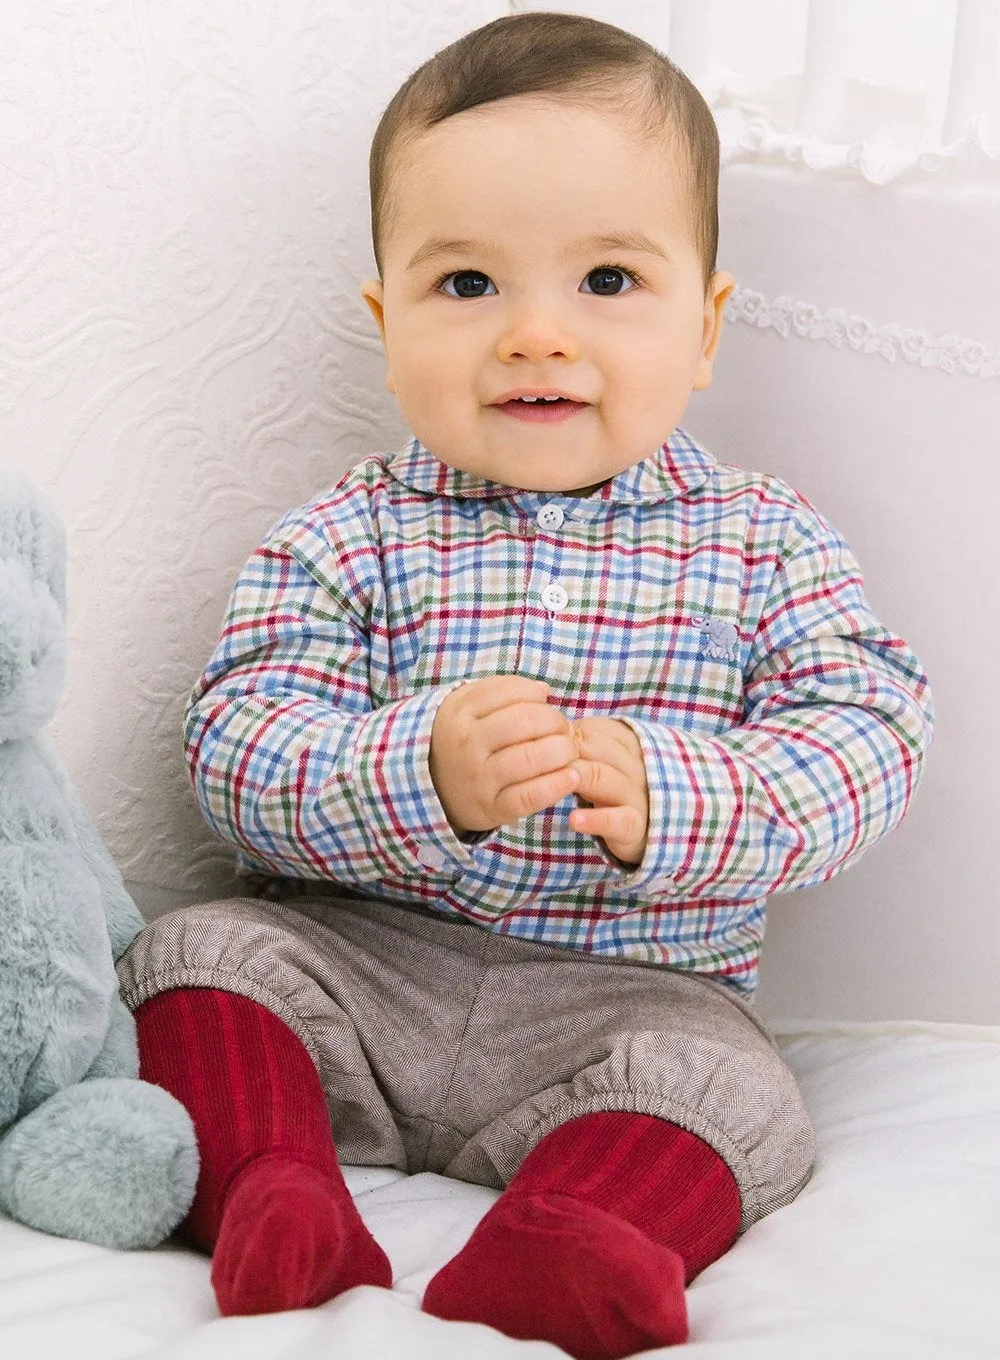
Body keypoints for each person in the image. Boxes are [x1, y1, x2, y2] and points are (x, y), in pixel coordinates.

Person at [119, 12, 933, 1358]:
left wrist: (675, 791)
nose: (537, 337)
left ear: (709, 324)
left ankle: (576, 1242)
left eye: (608, 281)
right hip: (362, 964)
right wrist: (416, 771)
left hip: (632, 996)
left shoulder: (763, 540)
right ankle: (275, 1188)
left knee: (736, 1096)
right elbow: (231, 749)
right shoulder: (347, 536)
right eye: (467, 287)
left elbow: (871, 735)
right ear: (387, 323)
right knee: (192, 957)